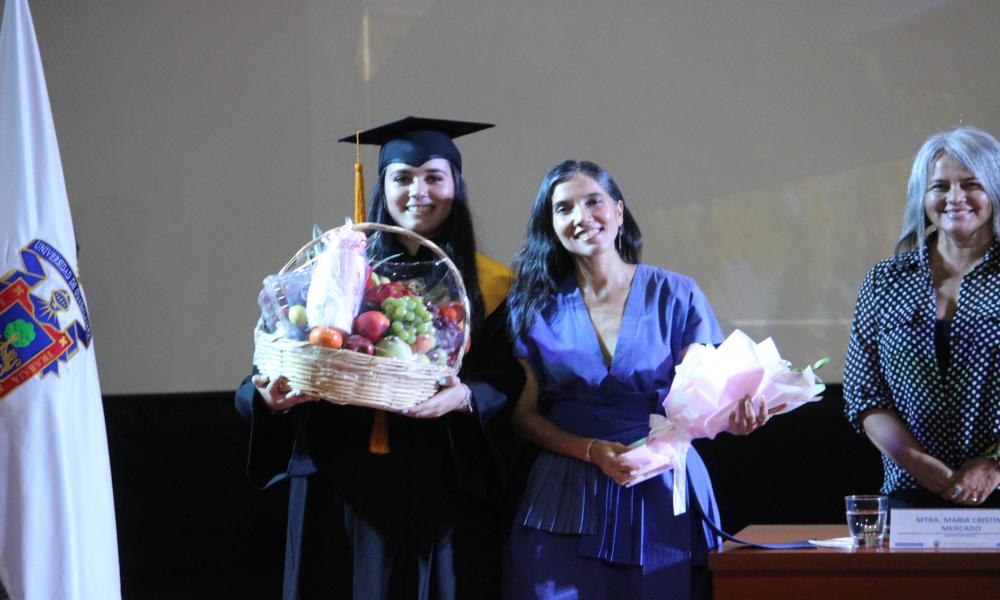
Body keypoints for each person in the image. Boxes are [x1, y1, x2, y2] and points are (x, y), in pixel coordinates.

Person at [235, 117, 523, 599]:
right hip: (338, 475)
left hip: (436, 478)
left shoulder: (489, 284)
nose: (419, 191)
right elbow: (277, 359)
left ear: (456, 185)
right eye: (402, 177)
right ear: (382, 188)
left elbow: (505, 377)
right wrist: (265, 396)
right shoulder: (337, 268)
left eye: (434, 177)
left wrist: (466, 397)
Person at [502, 160, 770, 600]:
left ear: (619, 212)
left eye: (594, 202)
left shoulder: (677, 294)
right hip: (563, 492)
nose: (581, 217)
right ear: (551, 225)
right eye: (564, 208)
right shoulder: (532, 305)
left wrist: (735, 419)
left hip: (661, 479)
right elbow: (524, 416)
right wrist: (592, 451)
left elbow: (706, 402)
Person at [844, 126, 1000, 509]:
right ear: (923, 196)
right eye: (940, 187)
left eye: (970, 184)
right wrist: (917, 463)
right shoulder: (884, 280)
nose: (955, 198)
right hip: (911, 497)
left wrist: (994, 465)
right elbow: (864, 395)